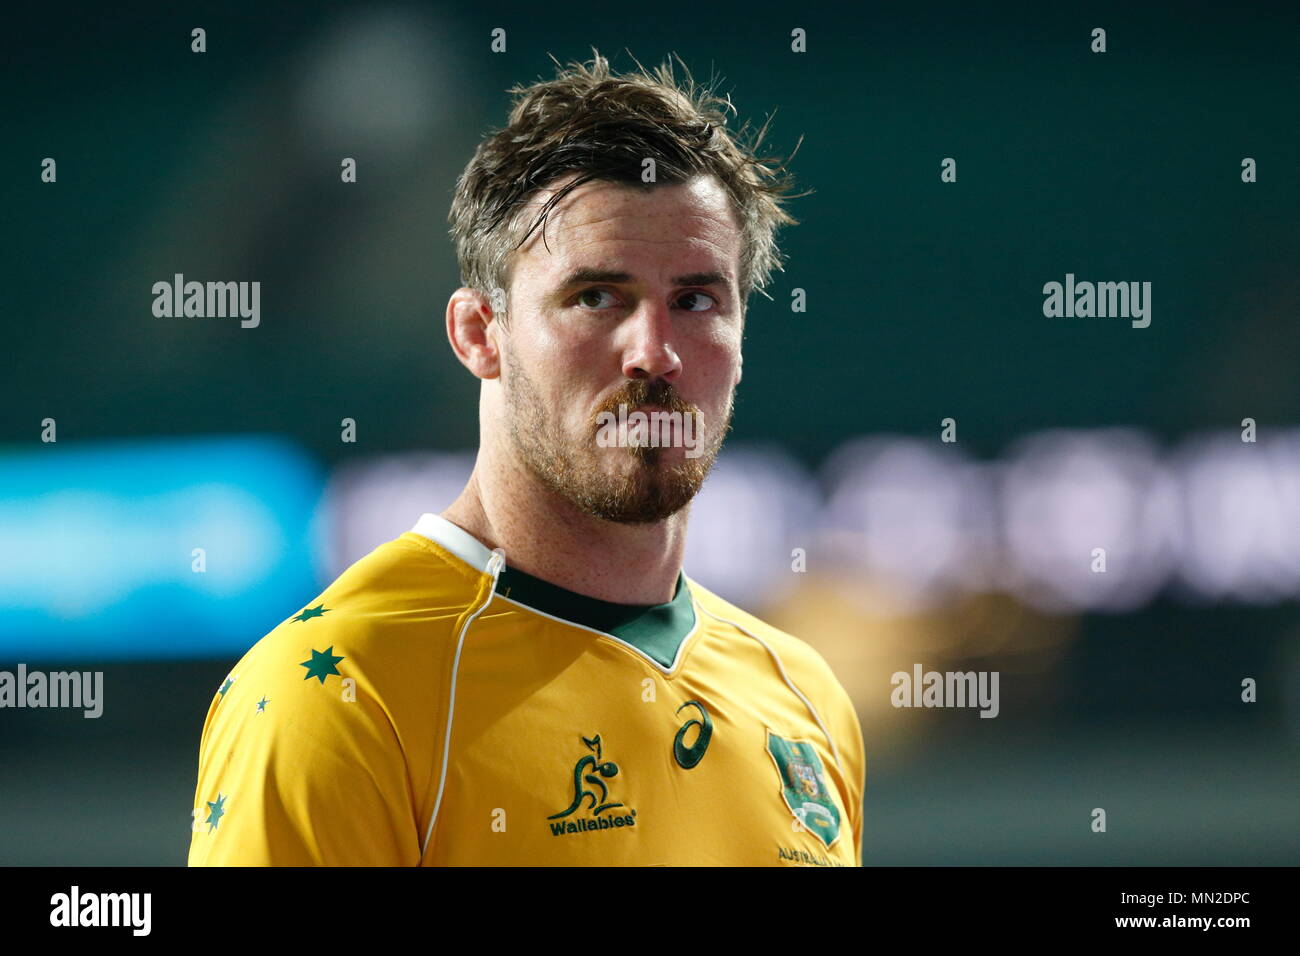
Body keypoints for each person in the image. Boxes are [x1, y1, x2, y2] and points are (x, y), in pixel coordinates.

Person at [188, 50, 864, 866]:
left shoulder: (802, 699)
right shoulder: (336, 695)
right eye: (595, 298)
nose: (655, 352)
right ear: (480, 334)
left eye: (694, 299)